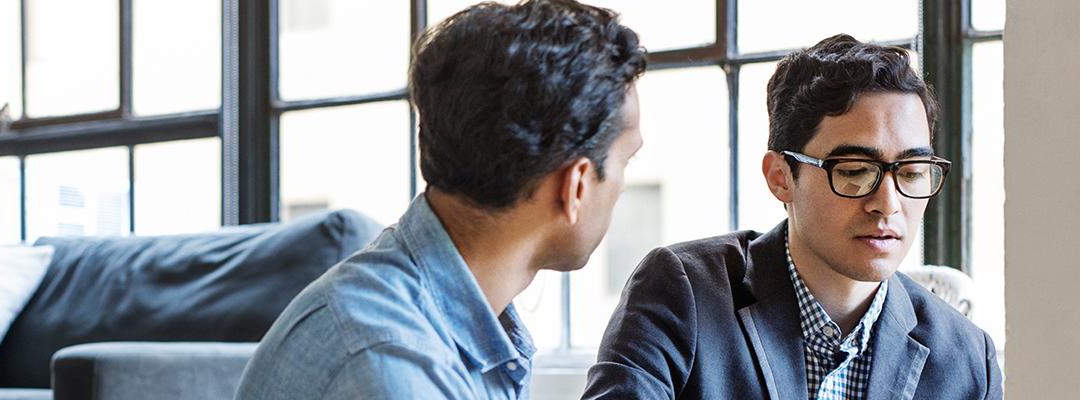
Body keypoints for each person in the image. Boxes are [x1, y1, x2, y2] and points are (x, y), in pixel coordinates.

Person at [234, 0, 647, 398]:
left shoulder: (434, 318)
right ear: (574, 186)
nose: (622, 185)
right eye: (625, 161)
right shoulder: (390, 365)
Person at [582, 34, 1003, 400]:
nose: (889, 204)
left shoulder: (967, 360)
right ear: (781, 178)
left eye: (911, 173)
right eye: (854, 172)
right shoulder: (683, 293)